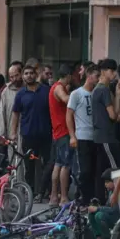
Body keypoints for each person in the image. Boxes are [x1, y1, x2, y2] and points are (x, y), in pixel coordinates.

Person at [11, 65, 52, 202]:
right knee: (29, 166)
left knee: (47, 164)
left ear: (36, 75)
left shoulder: (46, 91)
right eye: (26, 73)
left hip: (46, 134)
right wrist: (13, 133)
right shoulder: (21, 94)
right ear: (23, 76)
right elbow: (16, 114)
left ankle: (45, 192)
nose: (29, 75)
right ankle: (31, 192)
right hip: (28, 134)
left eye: (31, 73)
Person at [92, 59, 120, 204]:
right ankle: (117, 200)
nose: (114, 75)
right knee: (115, 169)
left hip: (101, 136)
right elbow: (113, 115)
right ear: (104, 71)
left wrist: (118, 94)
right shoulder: (103, 90)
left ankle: (100, 198)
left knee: (103, 169)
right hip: (106, 135)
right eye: (112, 71)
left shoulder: (101, 89)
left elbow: (116, 114)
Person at [67, 65, 99, 205]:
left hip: (96, 137)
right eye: (96, 76)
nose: (98, 79)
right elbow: (69, 115)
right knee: (84, 170)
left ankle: (91, 198)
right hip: (82, 136)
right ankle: (82, 198)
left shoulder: (97, 93)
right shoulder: (77, 94)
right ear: (89, 75)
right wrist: (72, 136)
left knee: (94, 170)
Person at [48, 64, 74, 206]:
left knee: (58, 164)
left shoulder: (57, 87)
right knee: (65, 165)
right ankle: (63, 197)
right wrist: (75, 95)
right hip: (63, 132)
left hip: (58, 132)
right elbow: (65, 99)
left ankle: (53, 196)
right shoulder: (58, 88)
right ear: (68, 75)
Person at [89, 168, 120, 239]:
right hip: (111, 215)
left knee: (99, 215)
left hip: (118, 217)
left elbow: (115, 210)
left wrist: (98, 209)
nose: (105, 185)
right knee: (91, 214)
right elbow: (108, 206)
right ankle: (98, 238)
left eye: (107, 182)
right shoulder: (111, 192)